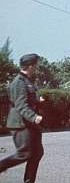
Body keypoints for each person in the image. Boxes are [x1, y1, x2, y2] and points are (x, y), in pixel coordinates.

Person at [0, 53, 44, 183]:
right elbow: (20, 104)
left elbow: (27, 99)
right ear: (30, 66)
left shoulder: (27, 80)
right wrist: (34, 117)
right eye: (36, 65)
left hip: (29, 124)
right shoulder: (18, 82)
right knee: (24, 154)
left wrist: (37, 100)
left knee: (37, 153)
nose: (37, 67)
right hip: (20, 124)